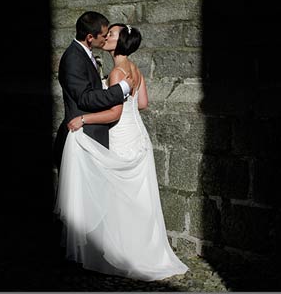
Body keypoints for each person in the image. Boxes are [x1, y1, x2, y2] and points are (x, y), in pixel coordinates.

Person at [54, 23, 189, 281]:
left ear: (120, 43)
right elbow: (143, 103)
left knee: (120, 199)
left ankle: (124, 253)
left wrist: (83, 120)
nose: (106, 38)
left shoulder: (117, 72)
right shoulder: (135, 69)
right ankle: (144, 250)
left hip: (122, 138)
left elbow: (115, 113)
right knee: (138, 200)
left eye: (112, 35)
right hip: (139, 136)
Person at [52, 11, 136, 170]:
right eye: (104, 35)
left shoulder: (86, 54)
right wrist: (121, 89)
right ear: (90, 37)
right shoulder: (73, 58)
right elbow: (85, 98)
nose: (106, 38)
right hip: (82, 135)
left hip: (93, 135)